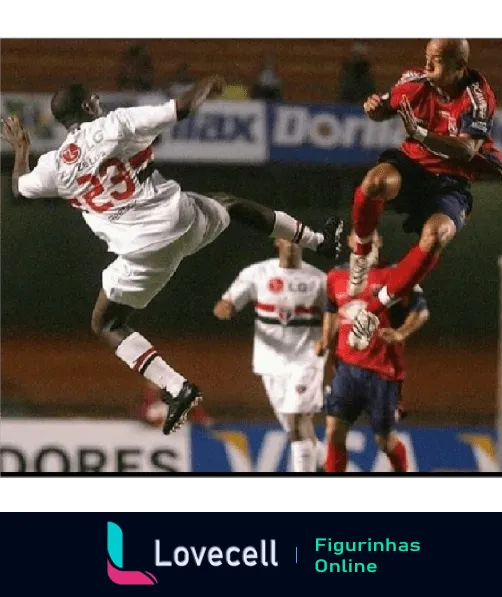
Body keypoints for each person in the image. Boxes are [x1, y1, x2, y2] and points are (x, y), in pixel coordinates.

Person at [0, 76, 344, 435]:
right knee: (230, 202)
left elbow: (19, 187)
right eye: (92, 96)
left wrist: (22, 149)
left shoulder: (55, 167)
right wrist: (206, 85)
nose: (98, 98)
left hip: (138, 253)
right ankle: (320, 241)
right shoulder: (116, 123)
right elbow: (179, 109)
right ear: (87, 107)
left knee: (106, 324)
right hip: (179, 219)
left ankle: (177, 388)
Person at [345, 38, 502, 351]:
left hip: (451, 180)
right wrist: (373, 109)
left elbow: (467, 149)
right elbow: (382, 111)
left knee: (438, 234)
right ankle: (362, 252)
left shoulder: (477, 96)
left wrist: (421, 134)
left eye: (439, 59)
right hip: (412, 166)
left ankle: (372, 312)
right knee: (374, 182)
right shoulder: (414, 82)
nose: (429, 65)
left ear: (460, 67)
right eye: (428, 57)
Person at [316, 231, 430, 473]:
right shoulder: (336, 276)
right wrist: (325, 338)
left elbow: (421, 311)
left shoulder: (396, 274)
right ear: (350, 243)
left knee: (384, 441)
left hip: (382, 371)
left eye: (372, 237)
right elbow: (332, 307)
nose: (366, 243)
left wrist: (401, 332)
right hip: (346, 369)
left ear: (379, 241)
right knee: (334, 431)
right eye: (359, 238)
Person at [213, 238, 328, 472]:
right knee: (294, 428)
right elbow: (227, 302)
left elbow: (333, 315)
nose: (293, 243)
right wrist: (225, 308)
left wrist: (326, 343)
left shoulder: (318, 279)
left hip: (307, 361)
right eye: (288, 237)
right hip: (270, 363)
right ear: (277, 241)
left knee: (296, 420)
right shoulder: (257, 273)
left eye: (299, 238)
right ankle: (333, 465)